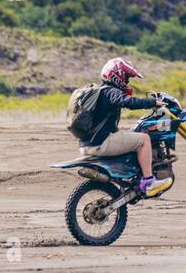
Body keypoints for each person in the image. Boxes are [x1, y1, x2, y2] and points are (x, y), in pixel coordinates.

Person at [75, 57, 179, 198]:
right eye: (127, 77)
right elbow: (128, 102)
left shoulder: (97, 91)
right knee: (144, 139)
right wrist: (153, 102)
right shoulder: (110, 91)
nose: (127, 82)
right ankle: (149, 182)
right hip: (102, 142)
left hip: (87, 144)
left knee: (130, 136)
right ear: (117, 75)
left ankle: (131, 178)